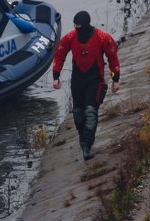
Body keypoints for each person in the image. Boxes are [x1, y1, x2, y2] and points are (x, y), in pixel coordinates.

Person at [52, 10, 122, 160]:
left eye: (79, 26)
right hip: (77, 80)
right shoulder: (70, 37)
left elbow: (113, 58)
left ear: (85, 25)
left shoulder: (102, 37)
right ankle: (83, 139)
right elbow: (59, 55)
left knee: (90, 112)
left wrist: (116, 79)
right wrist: (56, 76)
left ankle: (88, 146)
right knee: (78, 113)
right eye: (75, 26)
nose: (77, 29)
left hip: (95, 80)